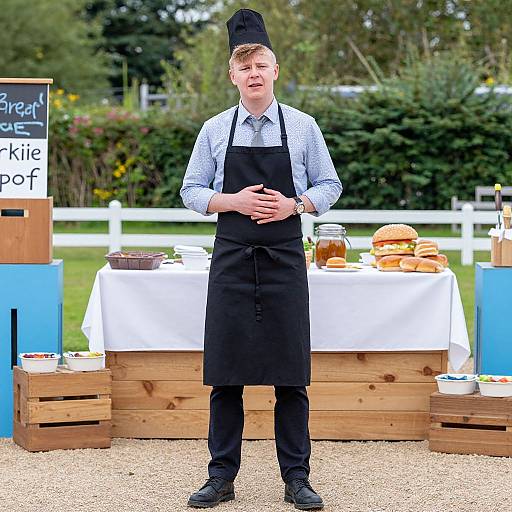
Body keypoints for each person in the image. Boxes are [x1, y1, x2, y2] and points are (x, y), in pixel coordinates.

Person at [180, 8, 342, 510]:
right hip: (230, 259)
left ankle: (297, 479)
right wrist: (234, 201)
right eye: (243, 66)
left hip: (284, 259)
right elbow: (191, 191)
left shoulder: (303, 126)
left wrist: (296, 205)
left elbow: (329, 185)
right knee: (225, 374)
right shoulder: (213, 130)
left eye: (260, 64)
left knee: (290, 375)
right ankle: (221, 477)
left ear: (275, 71)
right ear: (233, 76)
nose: (253, 73)